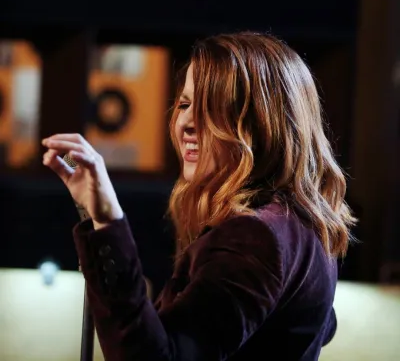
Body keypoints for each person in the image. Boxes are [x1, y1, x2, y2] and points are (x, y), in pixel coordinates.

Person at [42, 32, 356, 361]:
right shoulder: (300, 228)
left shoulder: (255, 238)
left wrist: (108, 221)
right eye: (184, 104)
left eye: (211, 107)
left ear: (262, 123)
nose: (187, 122)